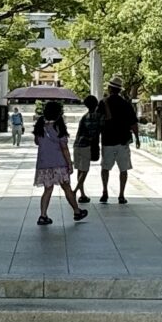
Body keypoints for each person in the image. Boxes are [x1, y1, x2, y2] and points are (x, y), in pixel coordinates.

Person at [32, 96, 83, 226]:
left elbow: (37, 142)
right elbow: (64, 148)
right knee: (66, 188)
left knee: (47, 190)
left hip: (44, 163)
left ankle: (43, 215)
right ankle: (77, 211)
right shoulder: (59, 127)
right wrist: (69, 163)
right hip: (59, 163)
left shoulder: (40, 126)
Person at [98, 79, 139, 204]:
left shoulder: (103, 103)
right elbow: (133, 123)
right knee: (123, 169)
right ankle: (121, 194)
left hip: (108, 140)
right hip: (123, 140)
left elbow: (98, 121)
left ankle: (105, 191)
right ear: (120, 90)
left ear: (110, 89)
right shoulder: (126, 104)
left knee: (105, 168)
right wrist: (137, 138)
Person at [71, 91, 103, 206]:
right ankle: (74, 191)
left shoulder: (84, 117)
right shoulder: (97, 117)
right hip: (86, 145)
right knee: (85, 170)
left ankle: (82, 194)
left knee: (80, 169)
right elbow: (96, 132)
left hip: (77, 144)